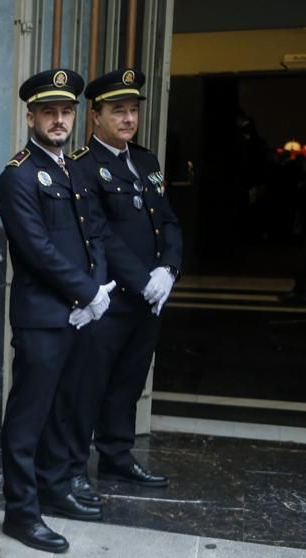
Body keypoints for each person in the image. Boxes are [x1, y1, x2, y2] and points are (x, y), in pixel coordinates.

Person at [0, 68, 114, 553]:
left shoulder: (75, 170)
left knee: (66, 409)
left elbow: (96, 233)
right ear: (31, 116)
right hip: (44, 316)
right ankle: (22, 512)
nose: (59, 119)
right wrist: (87, 292)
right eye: (49, 112)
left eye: (66, 111)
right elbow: (38, 248)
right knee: (29, 416)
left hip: (82, 311)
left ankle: (54, 488)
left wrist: (98, 290)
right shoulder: (17, 176)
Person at [64, 68, 177, 500]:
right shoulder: (81, 167)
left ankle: (116, 455)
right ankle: (74, 467)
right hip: (108, 297)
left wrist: (169, 270)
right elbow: (99, 233)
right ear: (96, 116)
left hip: (149, 297)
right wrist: (141, 279)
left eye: (132, 110)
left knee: (129, 382)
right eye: (118, 111)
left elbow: (167, 220)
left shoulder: (146, 161)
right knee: (88, 385)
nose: (128, 119)